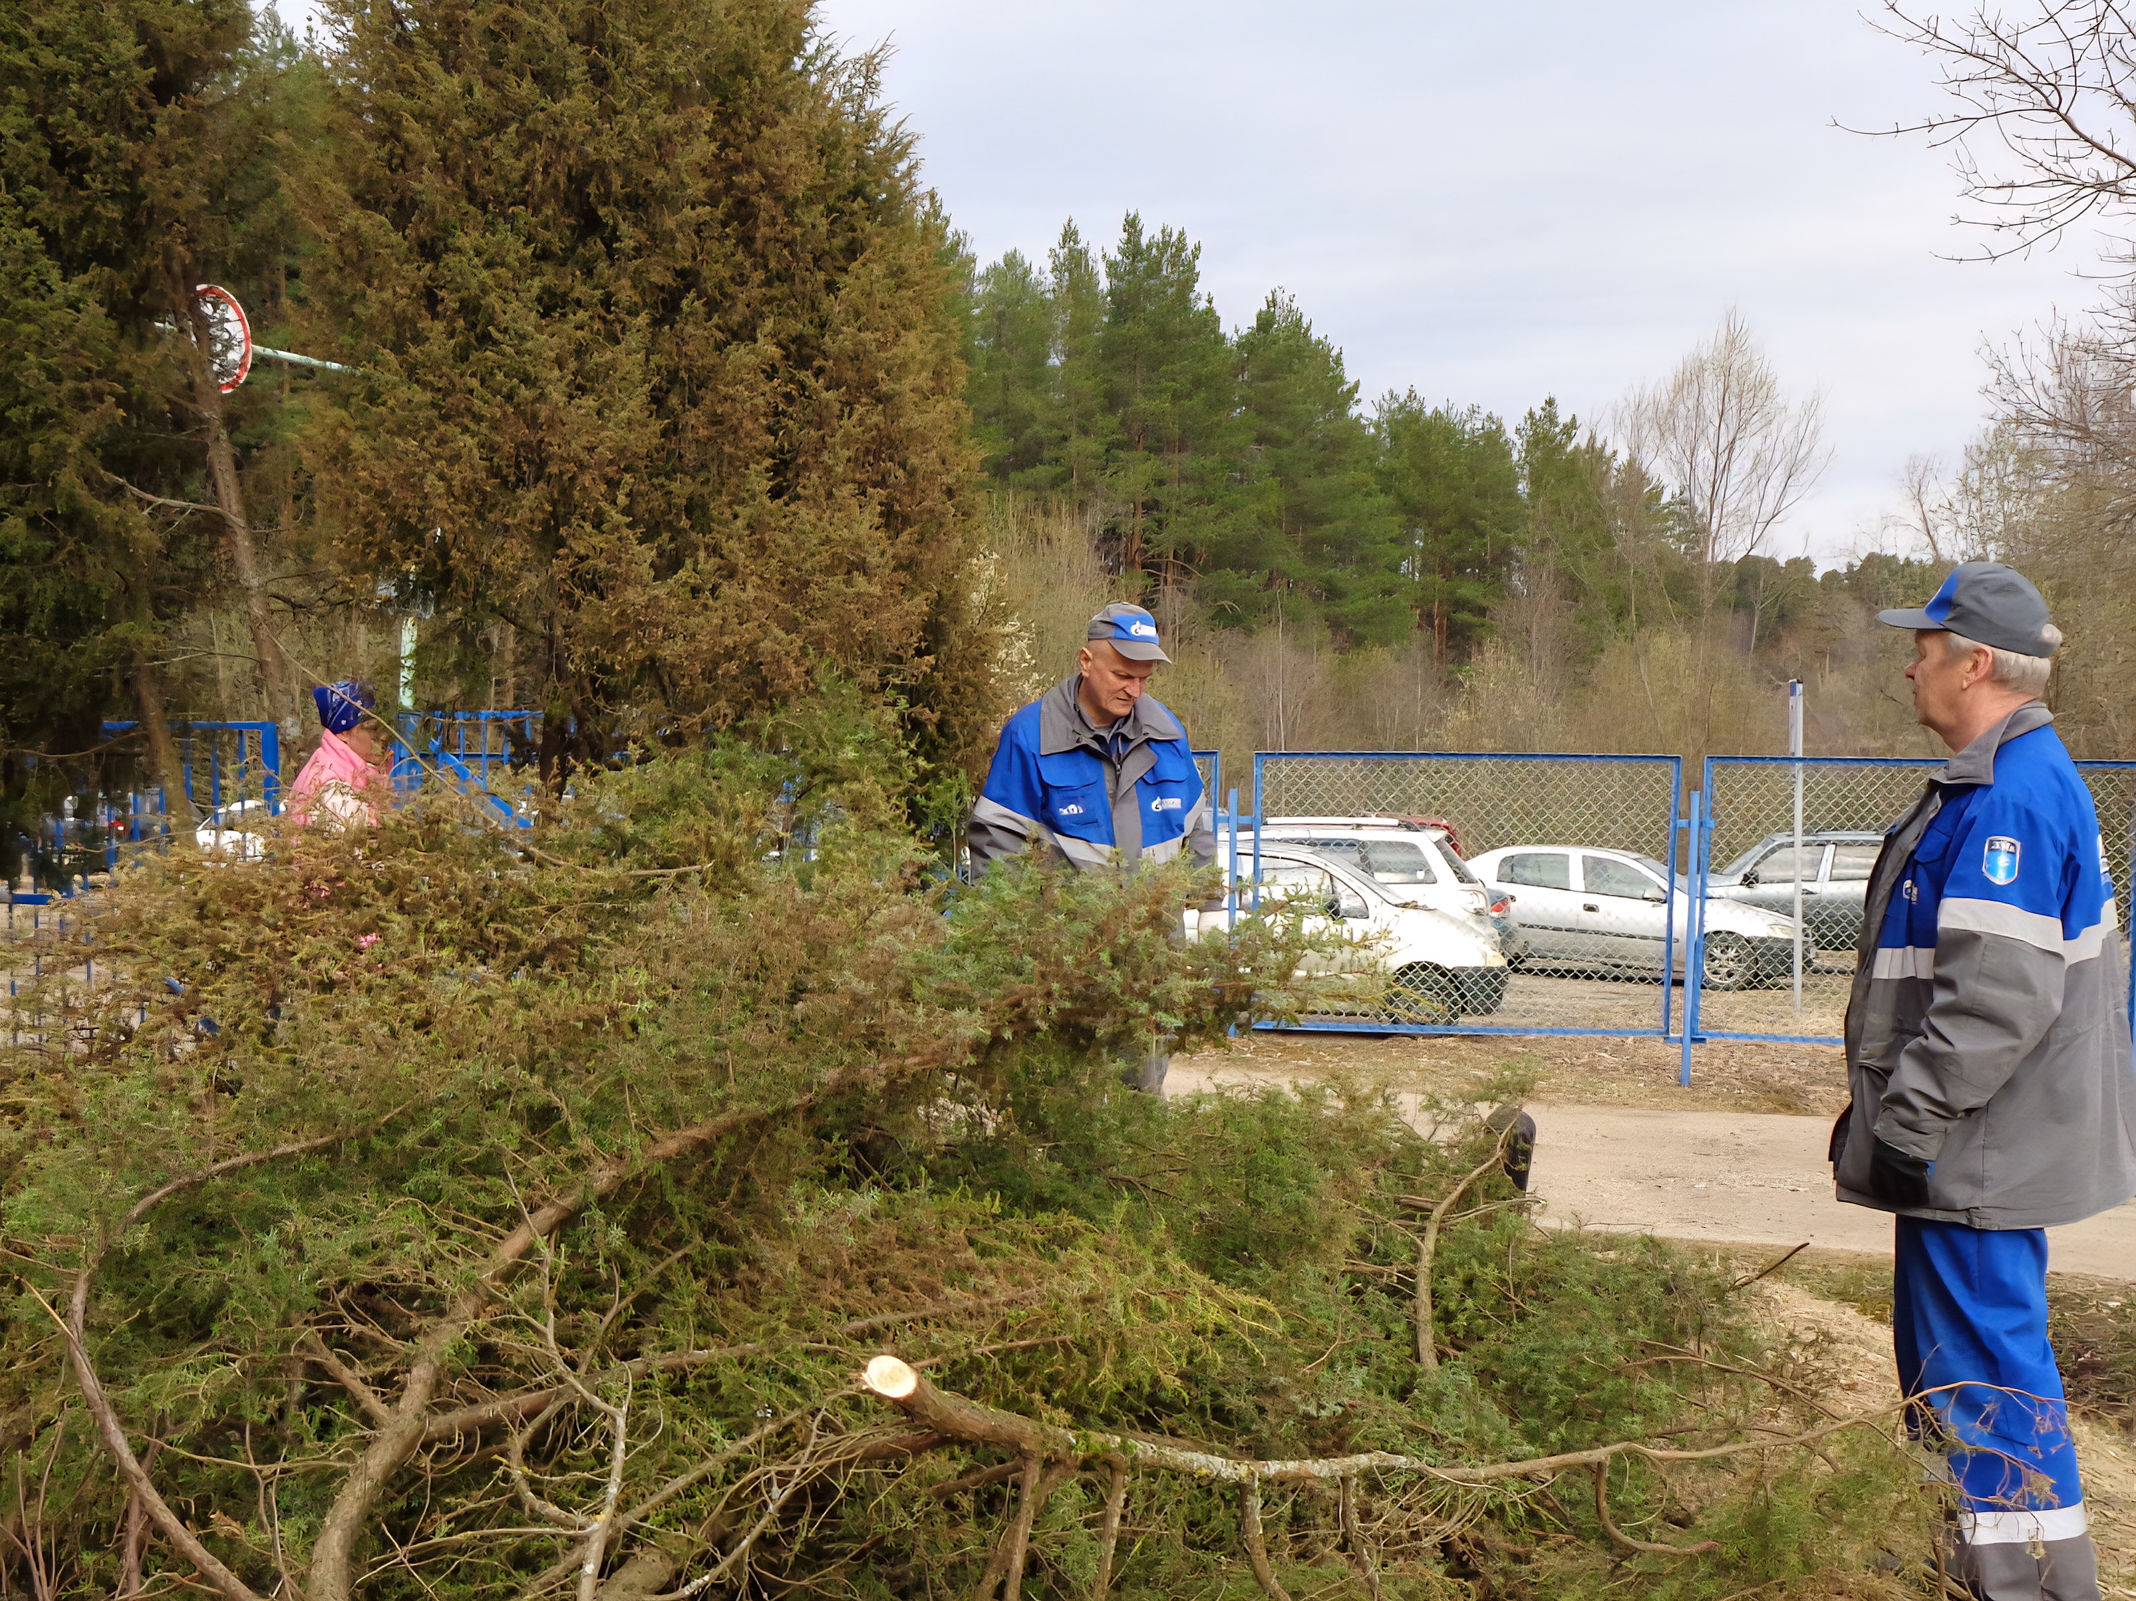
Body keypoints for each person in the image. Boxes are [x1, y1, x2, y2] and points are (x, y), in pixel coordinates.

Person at [1833, 561, 2135, 1601]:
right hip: (1972, 1148)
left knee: (1988, 1374)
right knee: (1949, 1367)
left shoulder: (2010, 799)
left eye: (1922, 646)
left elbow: (1993, 1002)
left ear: (1973, 664)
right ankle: (1959, 1556)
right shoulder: (2009, 780)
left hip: (1975, 1153)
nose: (1908, 664)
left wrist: (1907, 1124)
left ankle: (2034, 1580)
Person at [968, 602, 1218, 1093]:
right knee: (1070, 1095)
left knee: (1141, 1093)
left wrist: (1209, 908)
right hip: (1067, 958)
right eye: (1123, 674)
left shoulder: (1166, 732)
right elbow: (997, 844)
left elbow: (1196, 827)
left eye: (1144, 678)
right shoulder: (1031, 735)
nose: (1135, 689)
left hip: (1152, 955)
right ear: (1086, 662)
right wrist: (1020, 942)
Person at [287, 680, 390, 829]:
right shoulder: (333, 787)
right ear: (343, 733)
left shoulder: (352, 771)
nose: (384, 736)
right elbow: (355, 849)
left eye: (385, 727)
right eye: (372, 728)